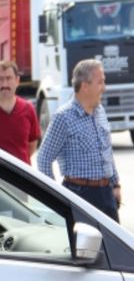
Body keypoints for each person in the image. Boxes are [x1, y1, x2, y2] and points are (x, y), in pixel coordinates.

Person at [37, 59, 121, 222]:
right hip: (79, 195)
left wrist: (115, 184)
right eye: (100, 82)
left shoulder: (100, 111)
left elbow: (107, 151)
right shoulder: (63, 117)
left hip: (107, 195)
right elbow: (43, 158)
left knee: (115, 246)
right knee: (84, 247)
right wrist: (55, 197)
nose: (104, 88)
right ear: (85, 86)